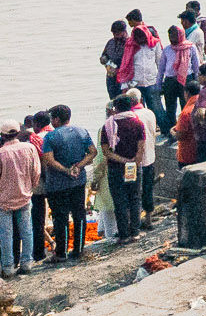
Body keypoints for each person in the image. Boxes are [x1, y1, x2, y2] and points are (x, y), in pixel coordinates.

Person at [38, 106, 94, 263]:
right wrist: (78, 166)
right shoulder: (81, 131)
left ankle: (61, 253)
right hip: (78, 180)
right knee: (79, 214)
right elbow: (92, 152)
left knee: (60, 217)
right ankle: (79, 250)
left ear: (56, 119)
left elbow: (48, 159)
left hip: (57, 184)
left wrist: (65, 170)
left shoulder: (50, 137)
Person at [101, 93, 147, 243]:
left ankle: (124, 234)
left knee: (119, 201)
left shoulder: (107, 125)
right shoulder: (138, 123)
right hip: (133, 167)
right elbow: (141, 147)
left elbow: (106, 152)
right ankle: (135, 232)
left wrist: (123, 160)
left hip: (116, 168)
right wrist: (134, 162)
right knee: (134, 198)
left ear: (116, 108)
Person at [0, 123, 40, 278]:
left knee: (5, 234)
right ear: (17, 133)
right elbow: (36, 171)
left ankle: (8, 267)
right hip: (24, 195)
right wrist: (30, 188)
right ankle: (27, 263)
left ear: (3, 135)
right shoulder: (29, 148)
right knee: (26, 231)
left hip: (4, 200)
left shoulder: (1, 153)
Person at [120, 11, 162, 116]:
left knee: (156, 108)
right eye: (137, 37)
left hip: (151, 81)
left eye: (142, 37)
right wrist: (125, 84)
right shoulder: (130, 46)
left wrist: (161, 80)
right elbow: (126, 65)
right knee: (138, 110)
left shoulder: (154, 44)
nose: (140, 40)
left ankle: (163, 129)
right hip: (136, 82)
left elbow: (159, 62)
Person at [158, 24, 200, 130]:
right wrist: (158, 84)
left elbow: (196, 66)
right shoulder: (167, 50)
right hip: (170, 81)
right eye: (169, 35)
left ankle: (186, 128)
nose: (171, 37)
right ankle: (172, 130)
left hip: (187, 79)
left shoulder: (191, 47)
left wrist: (198, 83)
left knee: (186, 104)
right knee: (170, 107)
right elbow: (161, 69)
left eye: (173, 35)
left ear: (180, 35)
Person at [128, 90, 159, 228]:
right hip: (150, 157)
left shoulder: (131, 117)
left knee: (132, 191)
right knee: (148, 188)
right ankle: (148, 218)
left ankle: (132, 221)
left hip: (132, 160)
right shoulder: (150, 113)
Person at [26, 114, 49, 264]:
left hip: (39, 183)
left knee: (37, 219)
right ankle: (61, 248)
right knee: (61, 216)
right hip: (57, 182)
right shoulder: (52, 134)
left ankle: (38, 253)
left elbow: (37, 163)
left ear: (36, 124)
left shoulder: (34, 139)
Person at [99, 20, 128, 100]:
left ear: (124, 31)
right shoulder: (110, 42)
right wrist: (108, 64)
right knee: (113, 100)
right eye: (114, 33)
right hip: (111, 77)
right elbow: (104, 56)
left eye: (117, 33)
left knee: (124, 101)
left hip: (124, 78)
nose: (115, 35)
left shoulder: (129, 43)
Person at [173, 82, 200, 166]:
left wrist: (172, 132)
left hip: (188, 156)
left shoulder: (186, 112)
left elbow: (180, 136)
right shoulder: (205, 105)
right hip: (202, 152)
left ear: (187, 93)